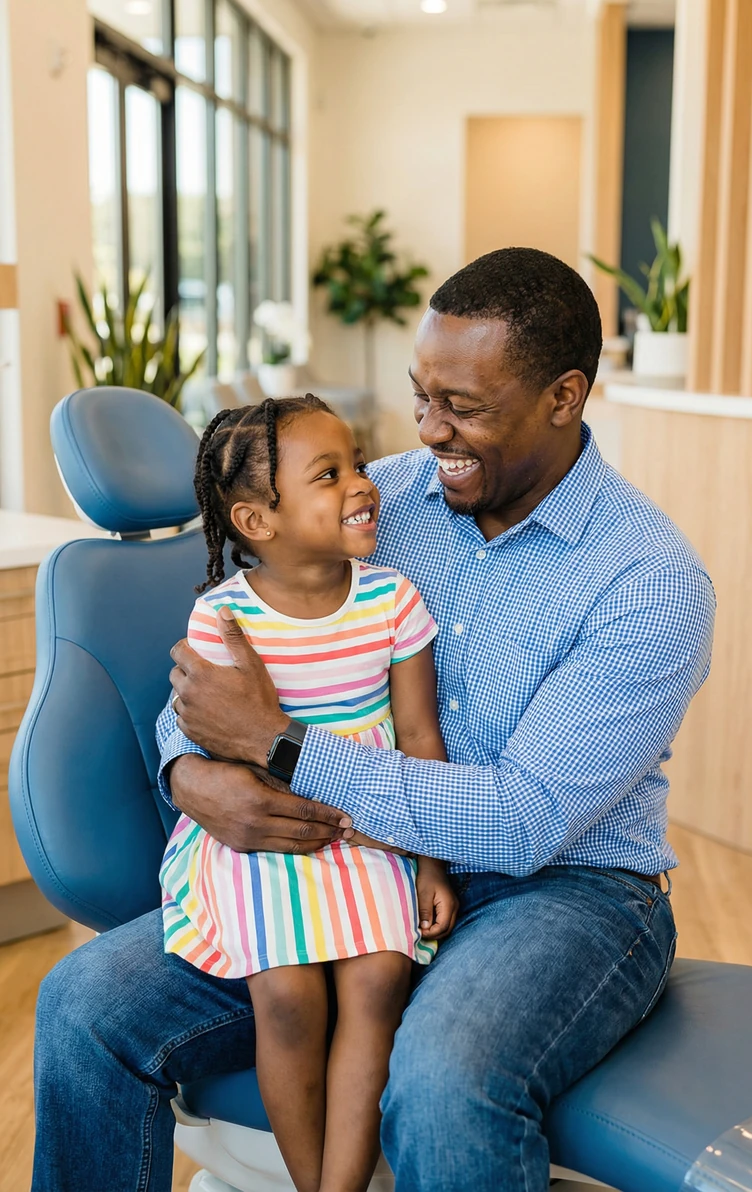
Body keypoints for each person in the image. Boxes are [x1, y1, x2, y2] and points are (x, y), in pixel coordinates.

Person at [33, 248, 715, 1192]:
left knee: (444, 1077)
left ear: (565, 397)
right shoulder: (370, 500)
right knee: (81, 1004)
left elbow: (523, 822)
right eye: (422, 395)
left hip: (563, 890)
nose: (431, 429)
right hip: (344, 869)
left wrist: (282, 751)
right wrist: (193, 774)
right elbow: (216, 671)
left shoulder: (651, 583)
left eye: (464, 406)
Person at [159, 392, 457, 1192]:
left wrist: (432, 864)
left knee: (378, 980)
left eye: (358, 463)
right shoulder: (223, 619)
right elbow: (192, 731)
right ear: (257, 521)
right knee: (287, 995)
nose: (362, 483)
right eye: (330, 474)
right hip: (262, 834)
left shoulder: (392, 599)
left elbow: (420, 739)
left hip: (370, 826)